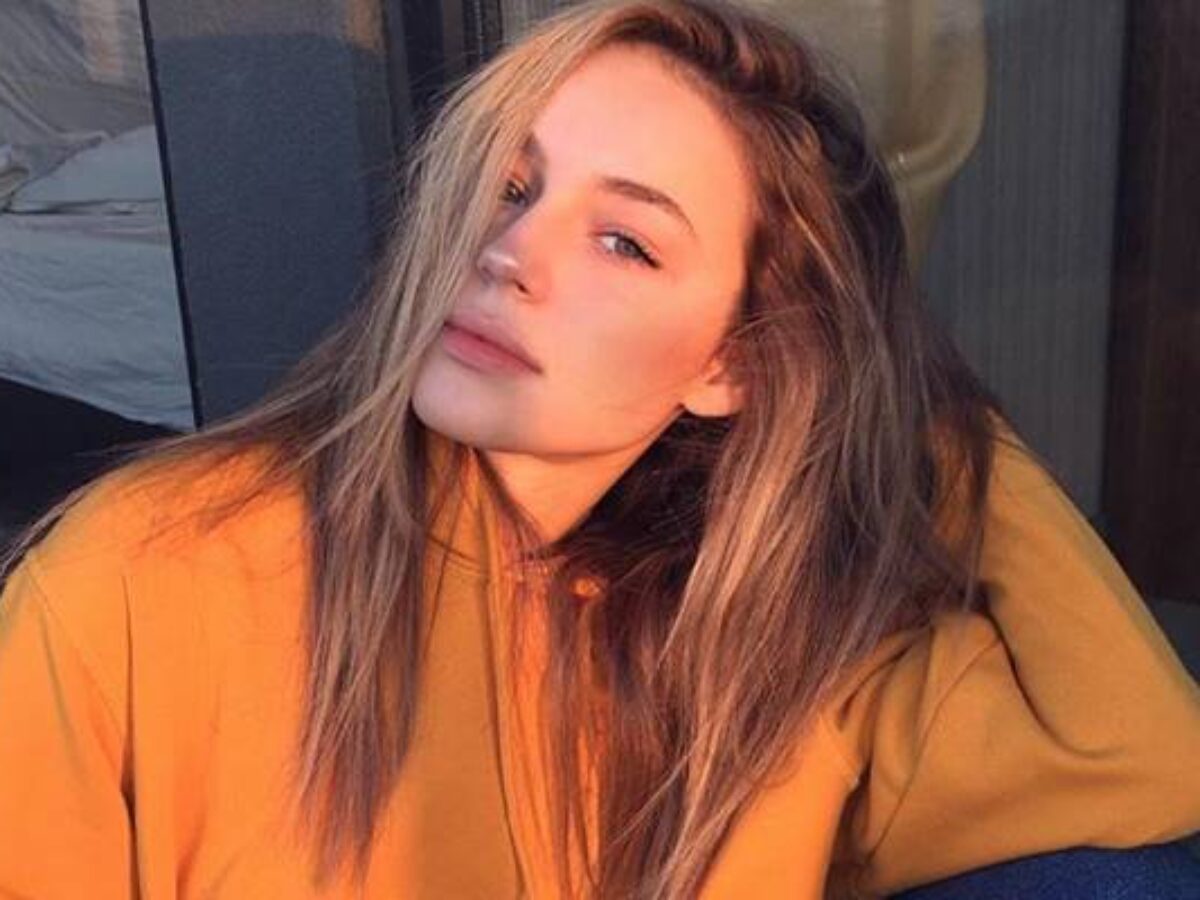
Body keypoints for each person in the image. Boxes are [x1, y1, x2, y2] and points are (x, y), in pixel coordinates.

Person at [1, 1, 1197, 897]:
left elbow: (1140, 761)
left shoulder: (773, 635)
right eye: (508, 186)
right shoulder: (146, 571)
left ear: (735, 364)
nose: (509, 253)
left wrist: (919, 413)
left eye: (626, 241)